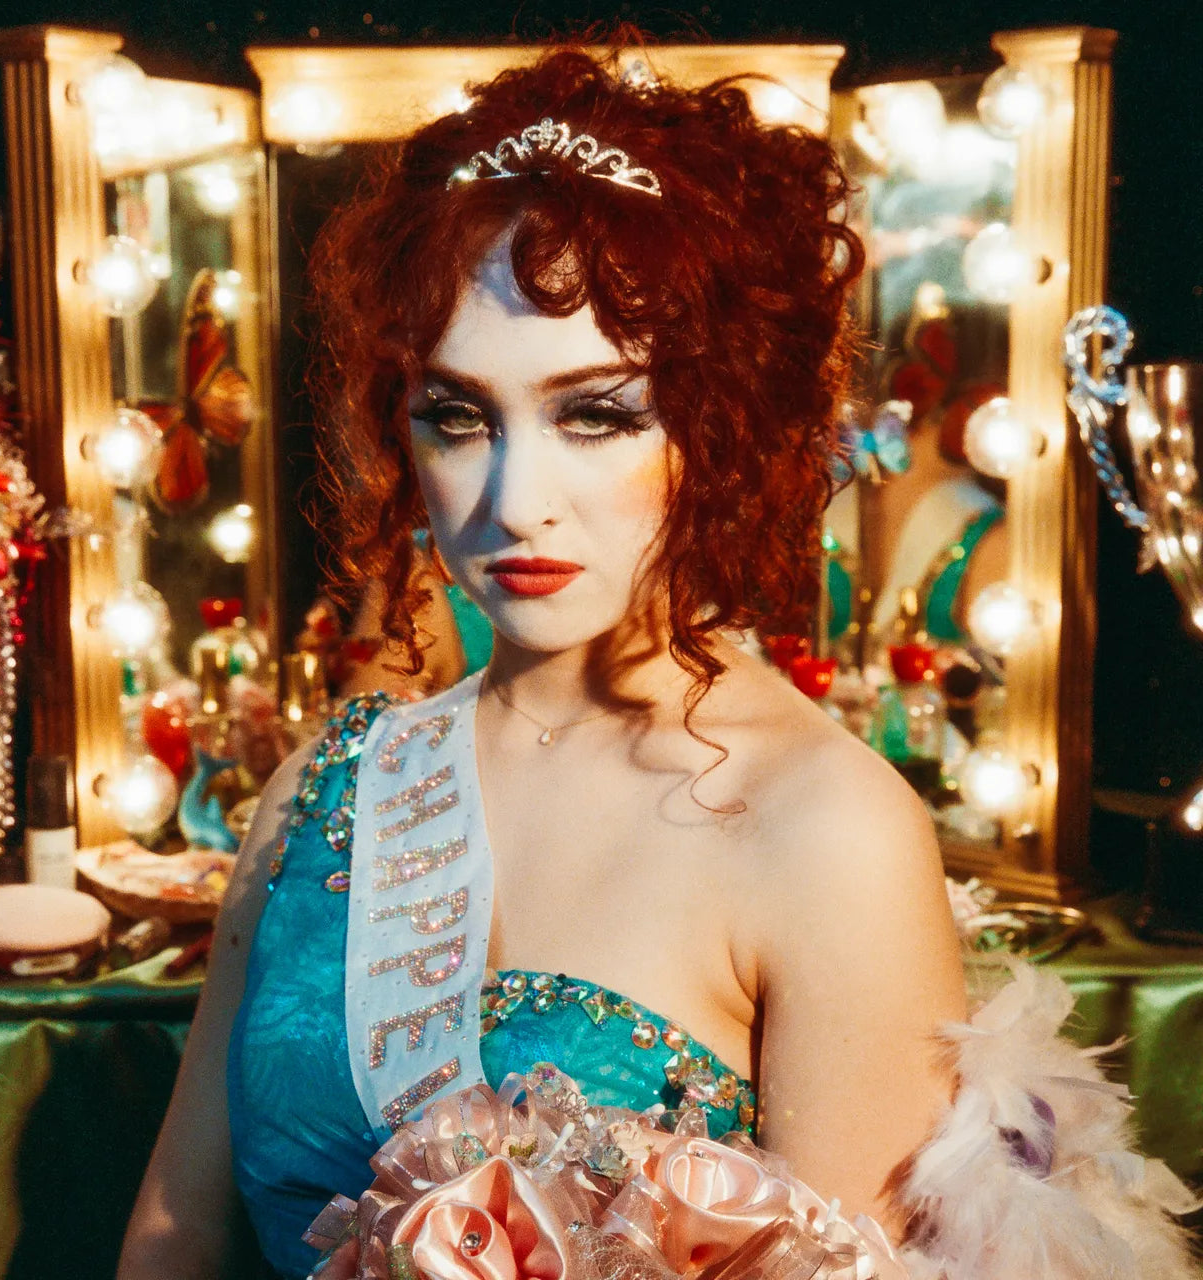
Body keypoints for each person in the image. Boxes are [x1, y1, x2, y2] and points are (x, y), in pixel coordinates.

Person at [118, 44, 1197, 1280]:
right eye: (458, 416)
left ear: (726, 421)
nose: (516, 500)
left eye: (597, 413)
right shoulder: (332, 781)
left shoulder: (822, 826)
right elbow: (172, 1230)